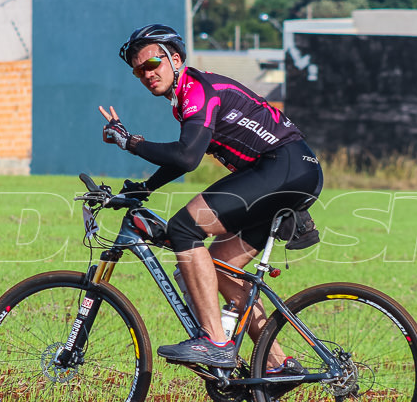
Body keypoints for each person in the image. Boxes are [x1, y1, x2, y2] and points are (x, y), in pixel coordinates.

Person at [99, 23, 322, 370]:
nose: (145, 75)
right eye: (138, 71)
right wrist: (144, 189)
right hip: (291, 170)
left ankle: (214, 341)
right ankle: (280, 364)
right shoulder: (188, 97)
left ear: (175, 59)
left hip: (283, 167)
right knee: (221, 269)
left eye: (151, 65)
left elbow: (186, 156)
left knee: (184, 229)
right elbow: (188, 156)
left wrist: (131, 142)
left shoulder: (197, 90)